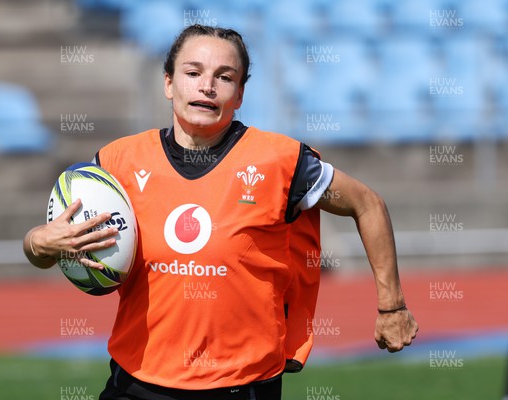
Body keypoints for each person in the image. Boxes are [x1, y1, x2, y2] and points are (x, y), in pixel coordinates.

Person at [23, 24, 418, 400]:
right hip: (137, 381)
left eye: (225, 77)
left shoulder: (280, 161)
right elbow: (45, 249)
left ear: (241, 94)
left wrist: (392, 305)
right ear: (168, 83)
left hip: (241, 384)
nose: (207, 86)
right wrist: (38, 243)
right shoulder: (117, 162)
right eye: (193, 72)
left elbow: (368, 204)